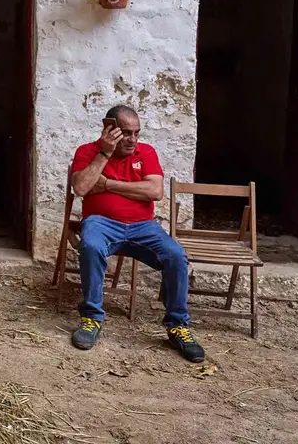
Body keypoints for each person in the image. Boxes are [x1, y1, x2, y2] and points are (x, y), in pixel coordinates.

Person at [69, 105, 204, 362]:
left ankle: (178, 326)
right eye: (126, 133)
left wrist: (108, 184)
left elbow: (154, 191)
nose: (133, 140)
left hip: (144, 226)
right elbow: (82, 187)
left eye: (136, 133)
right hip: (101, 223)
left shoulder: (147, 152)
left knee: (175, 255)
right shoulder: (87, 151)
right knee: (91, 247)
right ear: (110, 128)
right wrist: (104, 154)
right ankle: (91, 319)